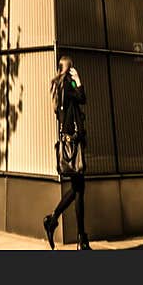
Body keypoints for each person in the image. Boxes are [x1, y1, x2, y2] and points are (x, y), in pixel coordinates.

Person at [44, 54, 90, 249]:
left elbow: (59, 113)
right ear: (69, 68)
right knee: (78, 189)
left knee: (78, 189)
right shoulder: (69, 85)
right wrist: (78, 80)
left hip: (66, 140)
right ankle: (55, 219)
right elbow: (82, 98)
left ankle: (78, 236)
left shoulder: (57, 88)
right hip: (74, 142)